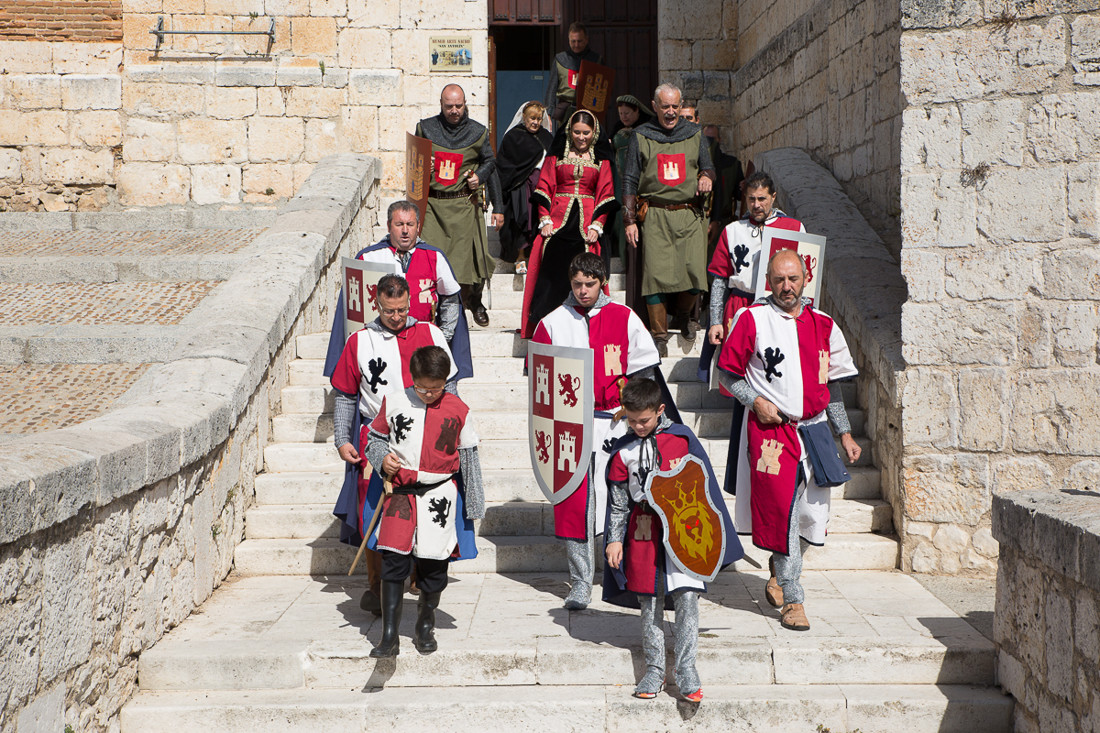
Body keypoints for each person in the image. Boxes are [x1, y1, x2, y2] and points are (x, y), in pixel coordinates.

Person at [716, 249, 861, 631]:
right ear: (768, 282)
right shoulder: (752, 320)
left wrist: (844, 432)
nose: (786, 286)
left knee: (813, 517)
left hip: (814, 429)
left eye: (793, 279)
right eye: (779, 279)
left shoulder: (825, 325)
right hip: (772, 433)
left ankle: (781, 570)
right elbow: (728, 375)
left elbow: (832, 387)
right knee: (782, 514)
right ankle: (794, 600)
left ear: (805, 280)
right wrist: (756, 401)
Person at [329, 274, 475, 616]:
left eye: (402, 309)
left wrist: (451, 430)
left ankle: (418, 578)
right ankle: (379, 587)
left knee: (427, 507)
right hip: (379, 437)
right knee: (376, 513)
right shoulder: (359, 341)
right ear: (376, 304)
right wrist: (341, 439)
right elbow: (346, 395)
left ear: (410, 302)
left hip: (427, 438)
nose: (396, 316)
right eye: (389, 310)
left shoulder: (430, 332)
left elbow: (448, 388)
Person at [532, 252, 662, 609]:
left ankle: (621, 574)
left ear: (602, 282)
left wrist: (636, 411)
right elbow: (540, 384)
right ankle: (579, 581)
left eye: (590, 284)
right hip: (569, 427)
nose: (583, 291)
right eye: (577, 284)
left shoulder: (624, 317)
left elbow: (646, 373)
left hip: (617, 423)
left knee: (622, 499)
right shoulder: (553, 323)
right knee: (575, 504)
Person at [603, 377, 741, 702]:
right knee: (649, 601)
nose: (638, 426)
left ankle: (686, 670)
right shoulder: (624, 452)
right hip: (643, 529)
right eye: (632, 420)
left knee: (688, 598)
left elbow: (704, 487)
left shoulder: (682, 438)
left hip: (684, 527)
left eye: (645, 420)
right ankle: (654, 670)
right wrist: (613, 539)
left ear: (660, 410)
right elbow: (620, 501)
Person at [362, 344, 483, 657]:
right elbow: (374, 438)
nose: (429, 394)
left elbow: (469, 455)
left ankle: (425, 624)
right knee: (393, 559)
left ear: (445, 380)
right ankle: (389, 635)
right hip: (401, 493)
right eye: (423, 388)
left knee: (433, 562)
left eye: (436, 388)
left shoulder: (459, 409)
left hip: (438, 492)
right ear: (412, 378)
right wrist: (381, 460)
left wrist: (474, 503)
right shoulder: (396, 400)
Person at [322, 200, 473, 382]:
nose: (405, 230)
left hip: (422, 343)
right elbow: (353, 306)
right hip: (379, 343)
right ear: (388, 226)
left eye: (410, 224)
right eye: (399, 224)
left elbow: (450, 299)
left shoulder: (434, 256)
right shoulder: (368, 257)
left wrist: (442, 337)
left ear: (418, 226)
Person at [622, 83, 715, 356]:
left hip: (689, 214)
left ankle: (684, 316)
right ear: (654, 106)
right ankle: (659, 335)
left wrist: (707, 177)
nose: (672, 112)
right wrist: (629, 220)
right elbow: (629, 179)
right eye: (666, 107)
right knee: (655, 276)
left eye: (676, 106)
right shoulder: (641, 135)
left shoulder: (695, 133)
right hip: (655, 214)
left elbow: (708, 167)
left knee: (695, 273)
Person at [700, 170, 802, 391]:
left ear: (773, 197)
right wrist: (715, 320)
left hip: (779, 310)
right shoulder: (732, 231)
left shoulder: (794, 228)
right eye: (751, 199)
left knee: (775, 372)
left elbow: (807, 279)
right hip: (740, 308)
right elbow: (719, 280)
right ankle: (740, 425)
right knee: (740, 377)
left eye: (762, 199)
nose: (756, 205)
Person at [520, 109, 616, 338]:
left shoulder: (601, 160)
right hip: (557, 221)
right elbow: (544, 186)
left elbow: (605, 193)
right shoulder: (556, 156)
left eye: (586, 132)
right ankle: (544, 334)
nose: (581, 137)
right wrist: (544, 218)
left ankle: (585, 331)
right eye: (576, 132)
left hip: (586, 228)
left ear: (594, 133)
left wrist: (597, 225)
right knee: (551, 276)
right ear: (569, 131)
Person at [416, 84, 501, 328]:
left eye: (458, 106)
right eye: (449, 106)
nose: (454, 111)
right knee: (431, 259)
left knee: (471, 260)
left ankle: (474, 300)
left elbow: (490, 161)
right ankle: (431, 307)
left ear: (465, 105)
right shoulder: (425, 128)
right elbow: (414, 161)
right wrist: (424, 164)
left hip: (464, 204)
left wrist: (479, 177)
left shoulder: (478, 132)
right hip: (433, 206)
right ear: (441, 105)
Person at [495, 101, 554, 274]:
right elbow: (505, 165)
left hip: (542, 186)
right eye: (532, 118)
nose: (535, 122)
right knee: (521, 219)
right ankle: (520, 257)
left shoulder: (546, 137)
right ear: (524, 117)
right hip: (519, 187)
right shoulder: (513, 137)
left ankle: (537, 258)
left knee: (539, 221)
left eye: (538, 119)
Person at [610, 94, 654, 271]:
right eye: (621, 113)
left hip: (641, 184)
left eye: (627, 113)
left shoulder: (647, 130)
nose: (624, 117)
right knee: (622, 222)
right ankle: (626, 261)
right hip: (620, 185)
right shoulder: (617, 129)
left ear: (637, 112)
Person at [544, 22, 602, 126]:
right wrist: (548, 114)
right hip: (565, 110)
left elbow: (601, 91)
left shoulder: (596, 60)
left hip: (588, 110)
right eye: (573, 41)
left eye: (579, 41)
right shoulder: (560, 59)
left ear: (586, 40)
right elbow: (551, 89)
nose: (576, 45)